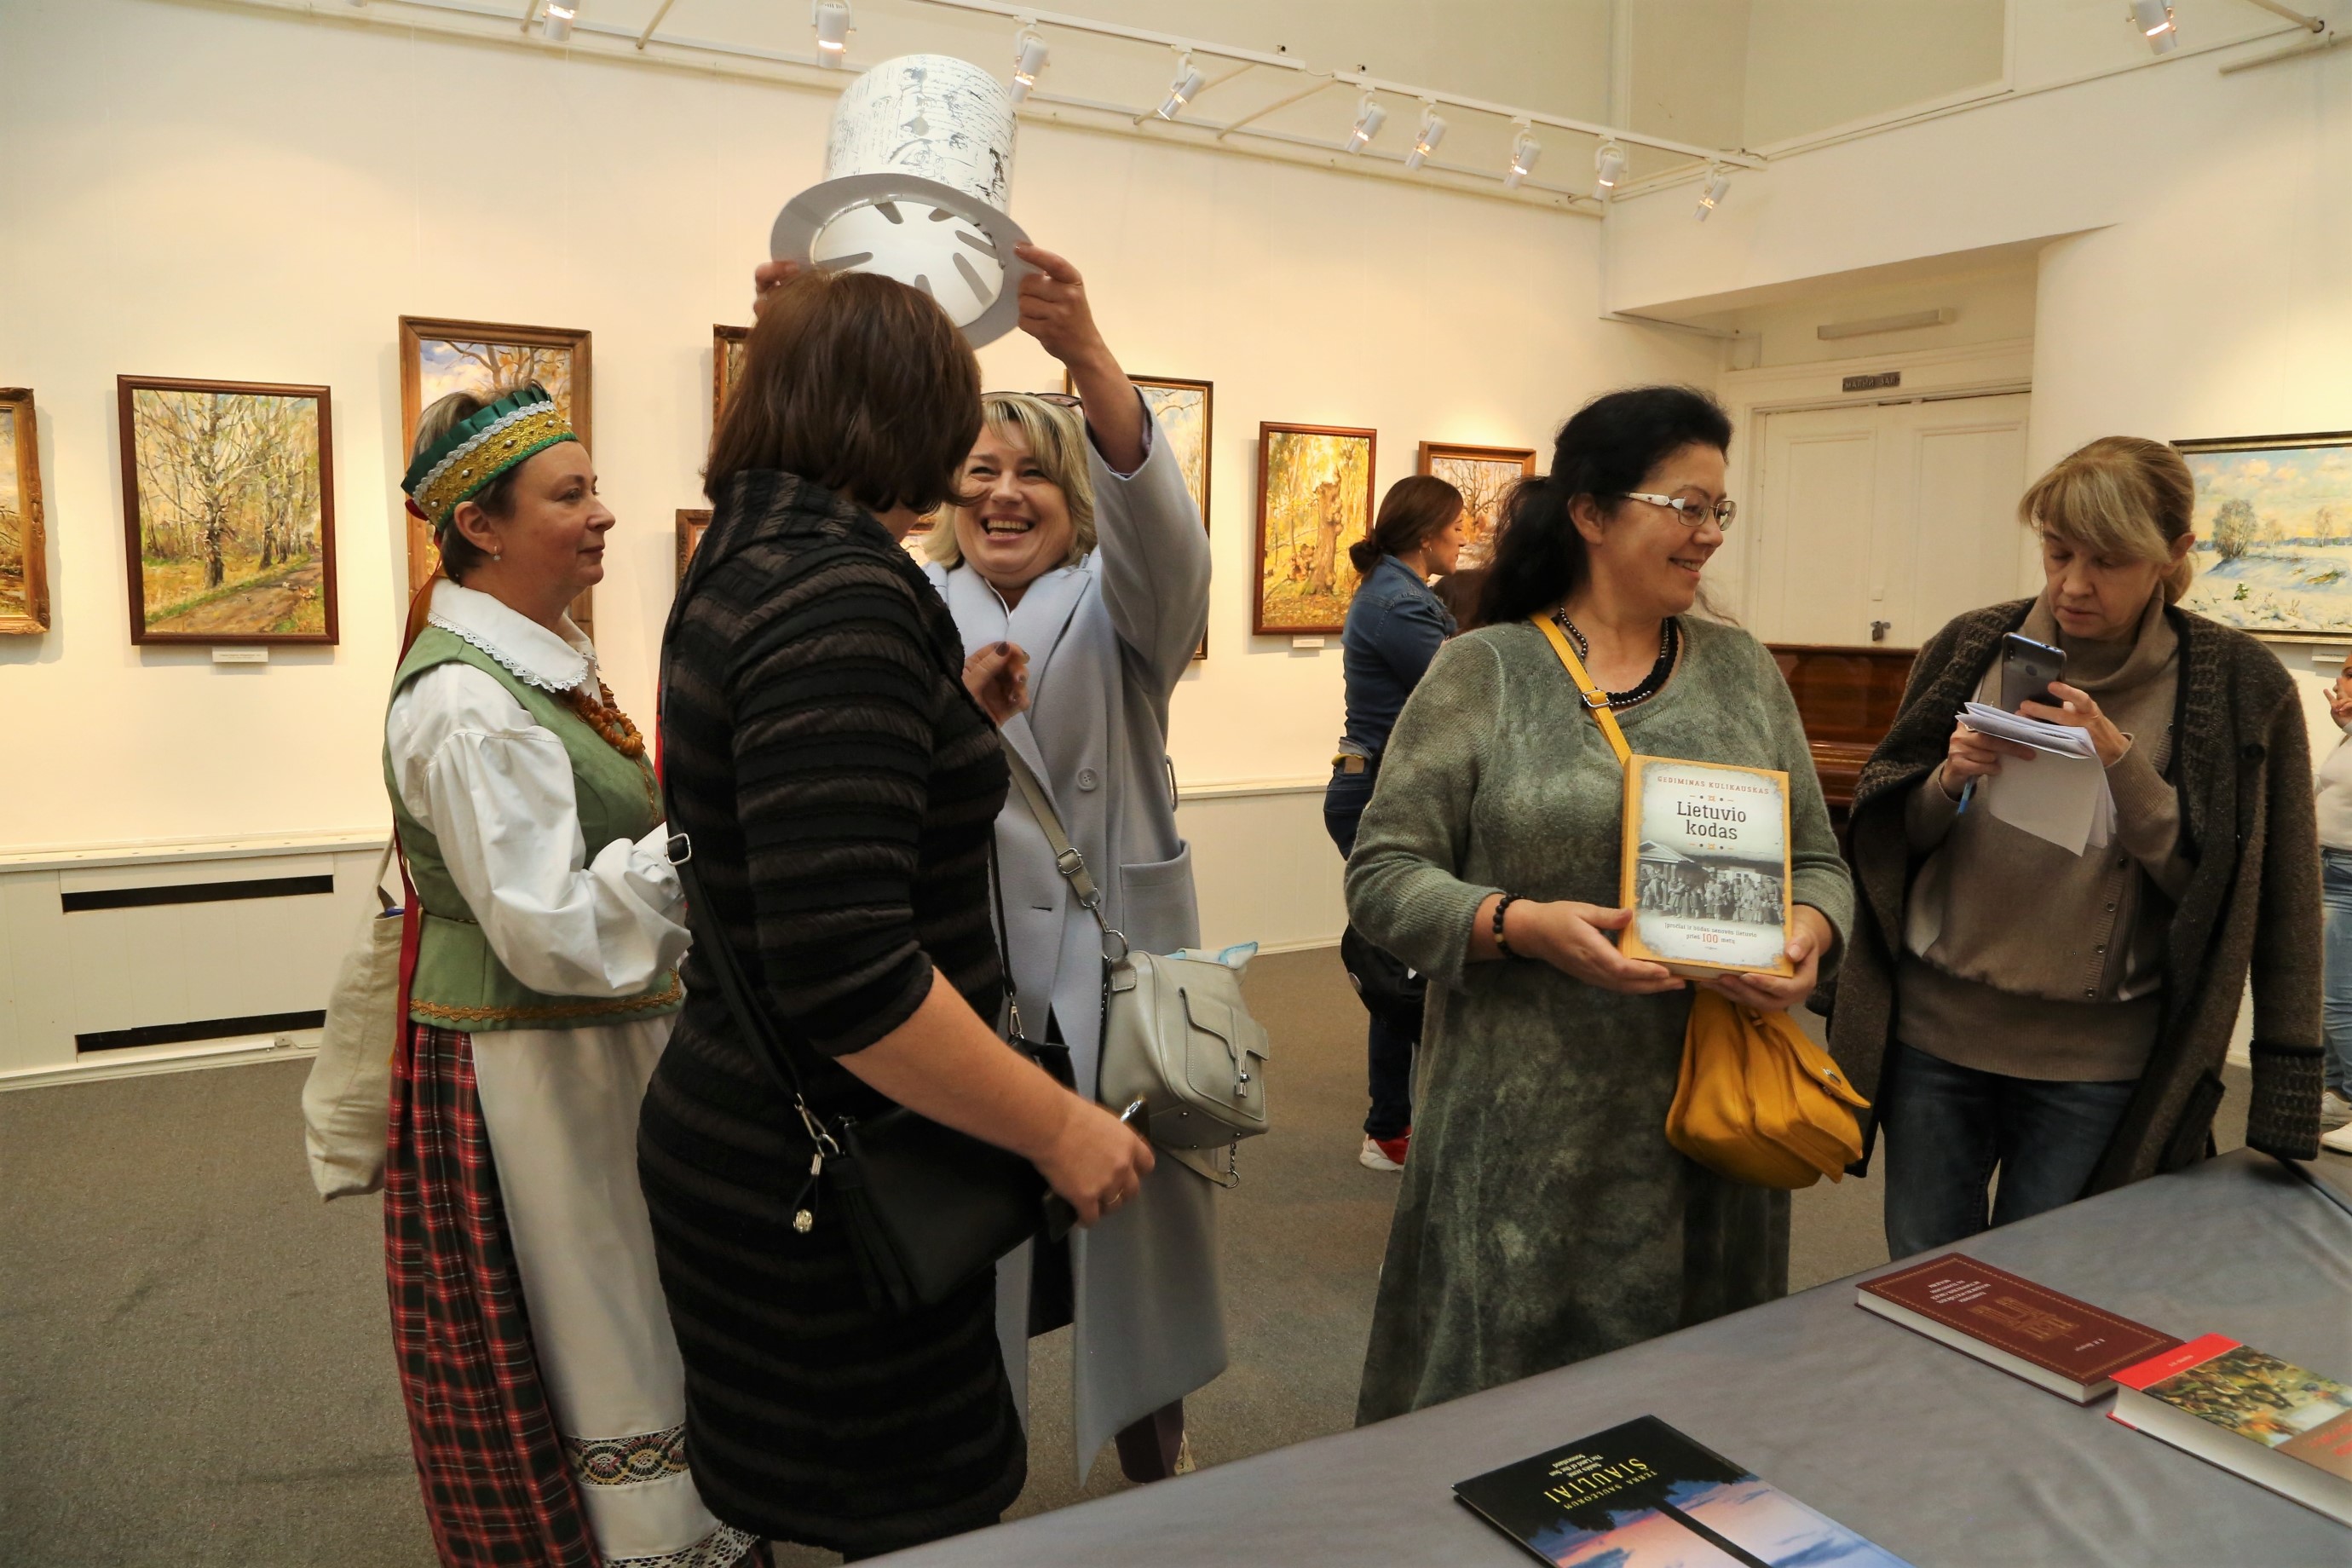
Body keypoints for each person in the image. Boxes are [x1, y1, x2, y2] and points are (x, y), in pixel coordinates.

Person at [640, 268, 1153, 1561]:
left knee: (817, 1500)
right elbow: (852, 975)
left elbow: (785, 813)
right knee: (906, 1509)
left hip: (760, 1131)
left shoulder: (745, 555)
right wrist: (1061, 1128)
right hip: (826, 1165)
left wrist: (944, 721)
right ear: (913, 414)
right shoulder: (841, 597)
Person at [1346, 387, 1853, 1422]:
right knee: (1509, 1417)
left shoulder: (1743, 672)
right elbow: (1384, 875)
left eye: (1720, 510)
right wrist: (1520, 925)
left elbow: (1818, 859)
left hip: (1713, 1120)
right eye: (1687, 507)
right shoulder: (1484, 670)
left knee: (1694, 1414)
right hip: (1526, 1131)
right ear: (1590, 512)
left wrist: (1809, 932)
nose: (1710, 534)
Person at [383, 383, 756, 1567]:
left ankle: (687, 1518)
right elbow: (546, 928)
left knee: (635, 1290)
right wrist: (697, 835)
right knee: (598, 1308)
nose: (603, 514)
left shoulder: (537, 664)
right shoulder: (466, 702)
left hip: (588, 1041)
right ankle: (642, 1538)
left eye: (595, 487)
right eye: (571, 494)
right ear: (480, 527)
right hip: (535, 1064)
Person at [1828, 435, 2325, 1258]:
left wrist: (2121, 763)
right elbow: (1888, 841)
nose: (2072, 585)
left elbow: (2251, 893)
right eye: (2058, 552)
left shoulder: (2239, 685)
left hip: (2095, 1063)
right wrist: (1947, 780)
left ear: (2175, 553)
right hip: (1936, 1039)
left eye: (2108, 560)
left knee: (2044, 1294)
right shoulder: (1969, 646)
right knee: (1922, 1280)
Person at [911, 256, 1219, 1484]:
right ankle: (958, 1487)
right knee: (956, 1249)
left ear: (1074, 490)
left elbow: (1169, 545)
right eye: (980, 471)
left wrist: (1087, 353)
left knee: (1133, 1261)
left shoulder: (1122, 602)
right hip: (965, 979)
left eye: (1034, 470)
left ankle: (1160, 1476)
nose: (1004, 493)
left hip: (1112, 973)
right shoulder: (908, 601)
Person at [1325, 475, 1467, 1172]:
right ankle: (1389, 1128)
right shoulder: (1399, 603)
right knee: (1399, 962)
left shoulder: (1399, 592)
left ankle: (1397, 1122)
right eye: (1458, 527)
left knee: (1403, 956)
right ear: (1426, 536)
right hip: (1380, 793)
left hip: (1384, 787)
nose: (1464, 539)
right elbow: (1463, 695)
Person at [2323, 656, 2352, 1154]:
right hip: (2324, 866)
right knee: (2321, 992)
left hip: (2348, 874)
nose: (2340, 680)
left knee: (2339, 998)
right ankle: (2338, 1095)